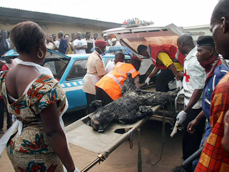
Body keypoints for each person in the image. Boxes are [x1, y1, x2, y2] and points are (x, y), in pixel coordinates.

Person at [0, 21, 79, 172]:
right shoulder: (44, 85)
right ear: (40, 47)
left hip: (16, 147)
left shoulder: (7, 75)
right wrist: (71, 168)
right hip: (39, 154)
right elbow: (53, 132)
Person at [196, 0, 229, 171]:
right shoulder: (213, 73)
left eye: (212, 29)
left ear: (223, 24)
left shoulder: (223, 80)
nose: (197, 55)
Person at [187, 36, 229, 171]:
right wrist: (197, 119)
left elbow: (222, 114)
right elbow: (210, 104)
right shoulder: (209, 72)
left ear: (210, 51)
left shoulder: (221, 76)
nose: (197, 55)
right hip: (209, 125)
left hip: (216, 129)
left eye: (199, 51)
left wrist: (211, 137)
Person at [174, 33, 206, 172]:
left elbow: (198, 88)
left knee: (191, 140)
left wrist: (185, 111)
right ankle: (188, 164)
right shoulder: (190, 58)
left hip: (194, 107)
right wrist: (183, 76)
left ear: (181, 45)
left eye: (178, 46)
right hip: (192, 105)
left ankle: (188, 168)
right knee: (188, 139)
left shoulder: (194, 60)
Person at [83, 39, 107, 113]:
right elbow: (102, 74)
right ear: (98, 48)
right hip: (94, 85)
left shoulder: (91, 55)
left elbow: (86, 68)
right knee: (95, 108)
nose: (104, 49)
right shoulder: (97, 59)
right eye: (103, 48)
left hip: (88, 83)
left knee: (90, 106)